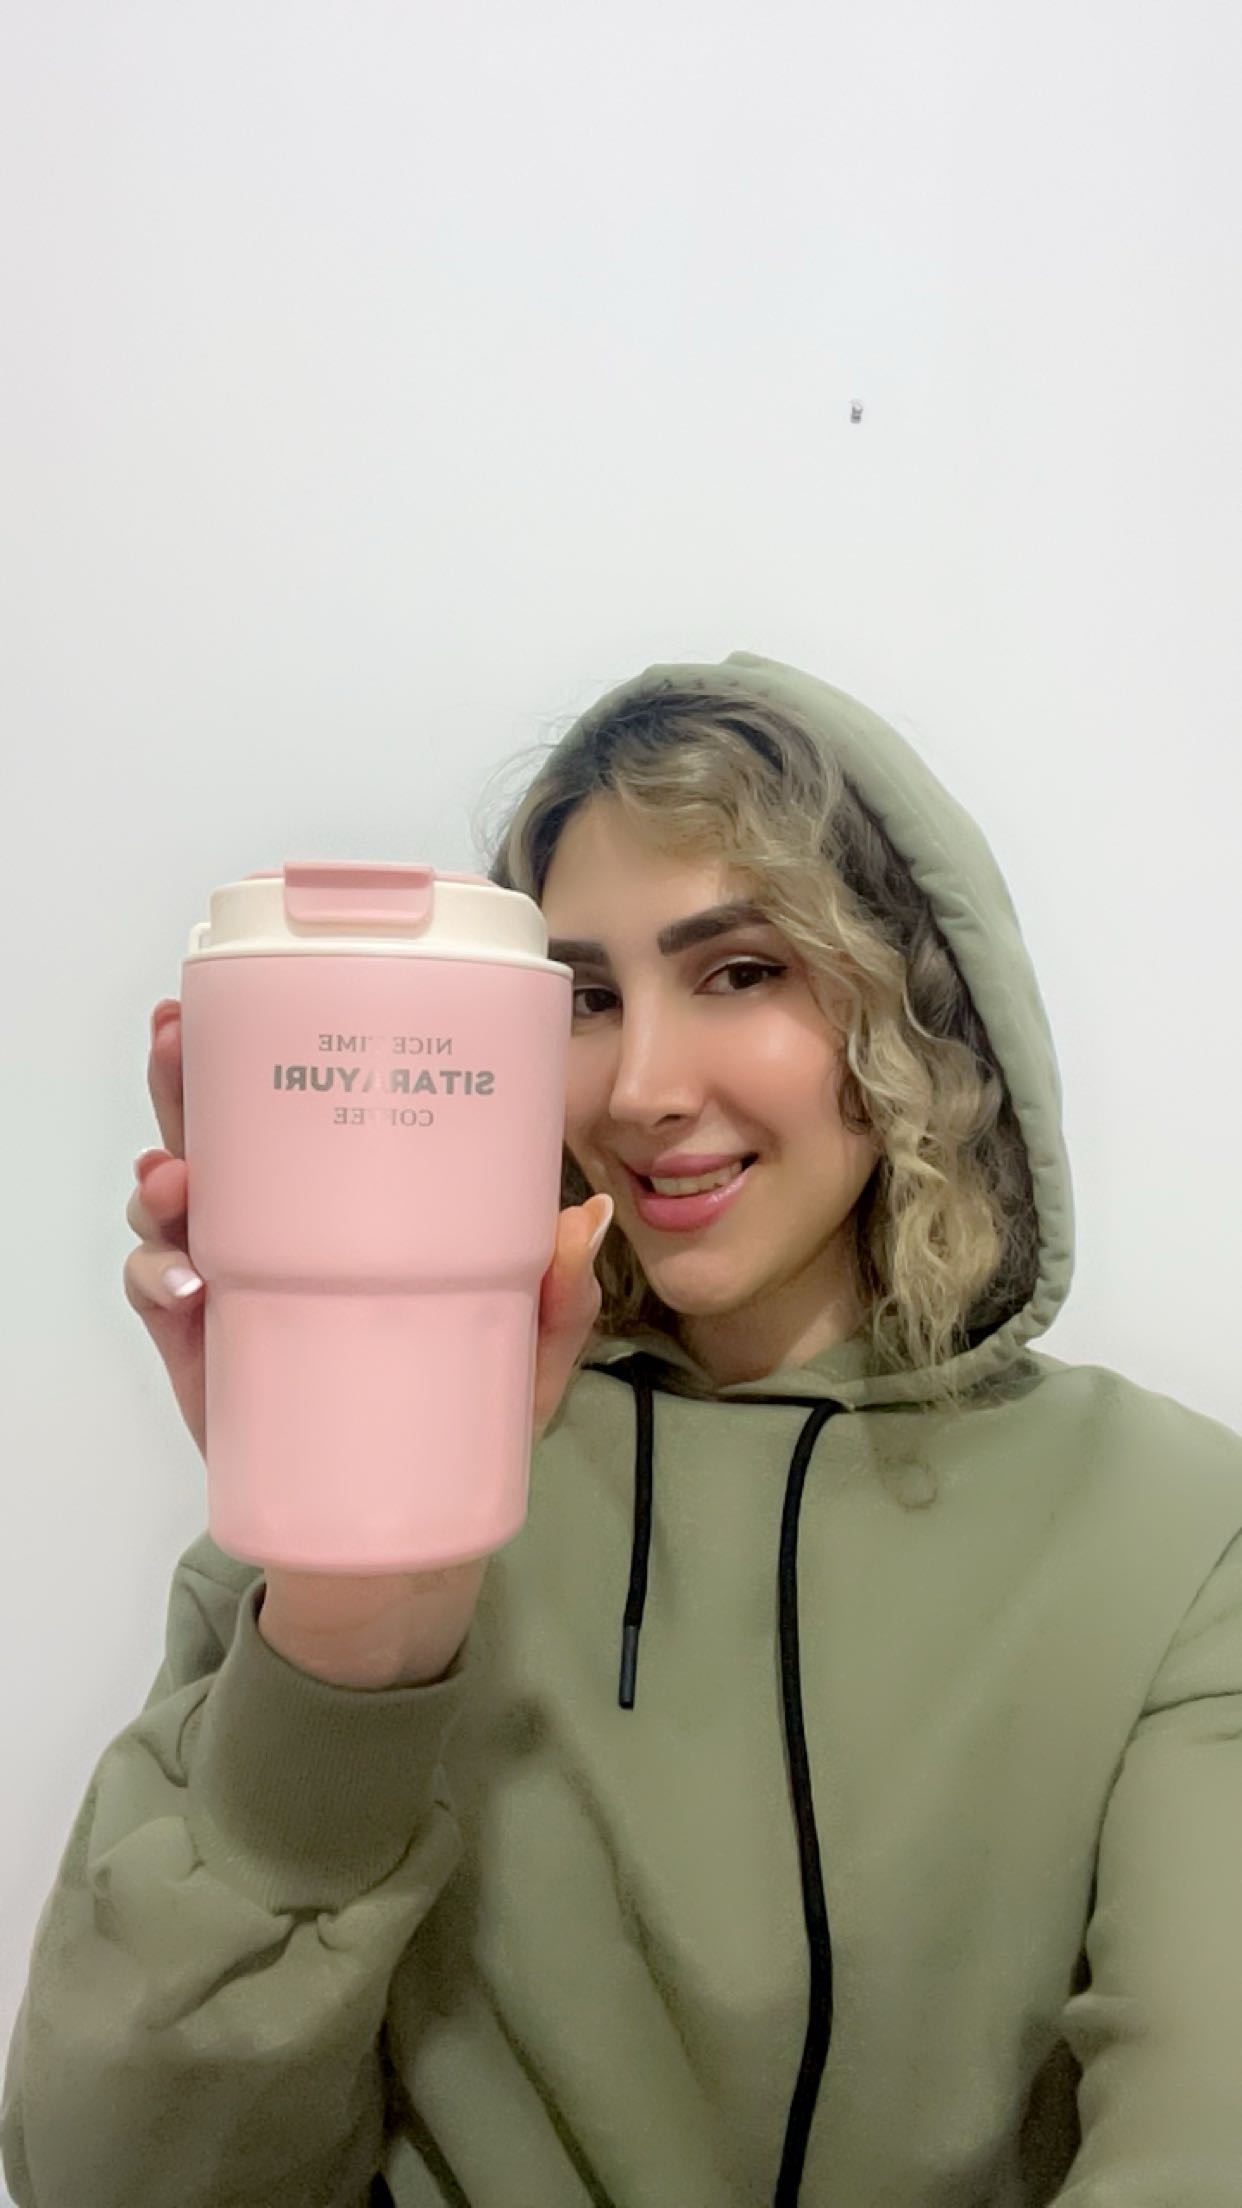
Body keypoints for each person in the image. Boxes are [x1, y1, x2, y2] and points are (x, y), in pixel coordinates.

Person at [4, 648, 1242, 2208]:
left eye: (739, 972)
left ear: (915, 1007)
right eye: (586, 998)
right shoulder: (370, 1512)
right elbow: (114, 2178)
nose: (641, 1087)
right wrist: (354, 1634)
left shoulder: (1170, 1532)